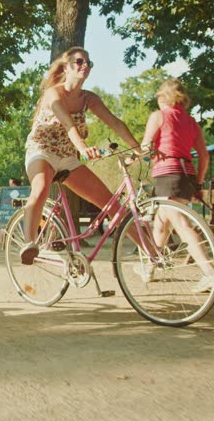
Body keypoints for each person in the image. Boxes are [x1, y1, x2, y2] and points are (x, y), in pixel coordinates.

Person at [20, 47, 142, 265]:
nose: (84, 65)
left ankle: (153, 254)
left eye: (88, 62)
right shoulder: (53, 94)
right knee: (40, 188)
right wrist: (84, 148)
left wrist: (138, 148)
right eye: (79, 61)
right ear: (66, 68)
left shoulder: (89, 99)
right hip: (41, 150)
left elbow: (114, 122)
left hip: (67, 156)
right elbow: (68, 125)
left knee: (111, 204)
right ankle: (29, 244)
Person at [139, 78, 214, 292]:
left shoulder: (159, 116)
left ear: (163, 97)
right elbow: (204, 156)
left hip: (167, 175)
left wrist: (130, 160)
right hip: (186, 175)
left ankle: (208, 271)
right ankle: (151, 267)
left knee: (181, 224)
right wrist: (198, 182)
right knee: (161, 223)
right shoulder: (192, 122)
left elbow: (145, 147)